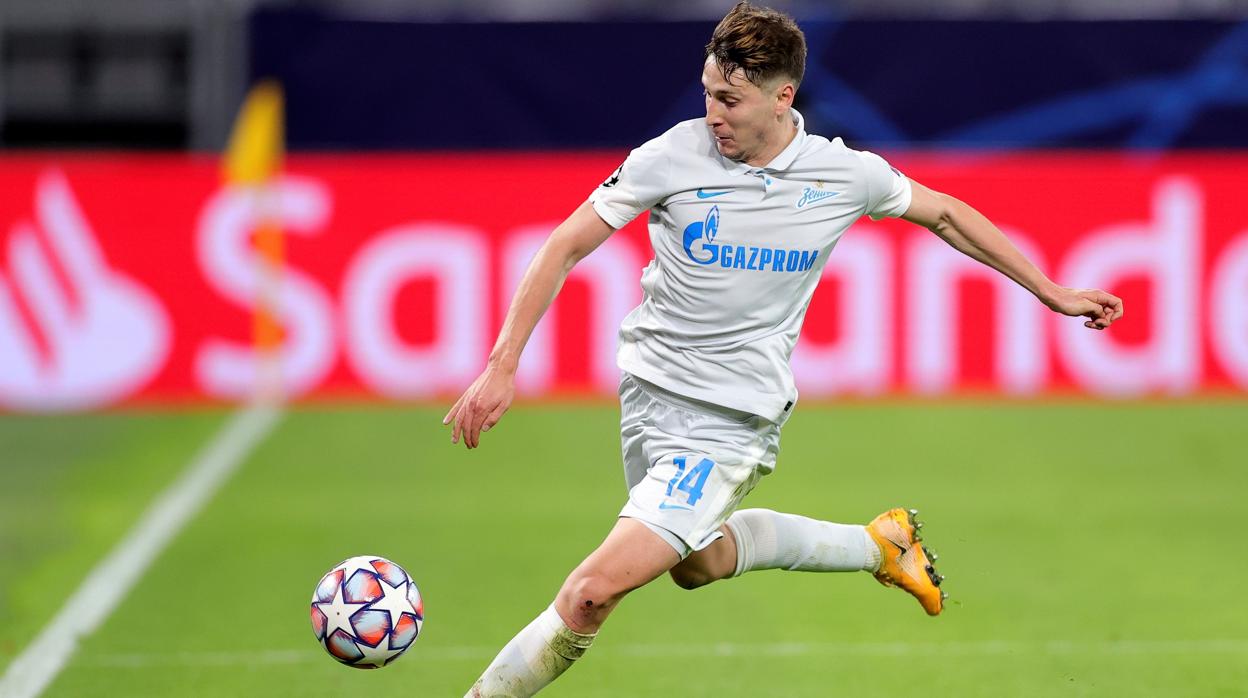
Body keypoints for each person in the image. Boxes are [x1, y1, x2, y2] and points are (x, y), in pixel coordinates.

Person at [445, 3, 1124, 695]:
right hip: (647, 401)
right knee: (697, 565)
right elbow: (564, 246)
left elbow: (947, 213)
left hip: (728, 422)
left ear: (782, 97)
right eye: (708, 92)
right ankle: (878, 544)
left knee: (591, 593)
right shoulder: (670, 156)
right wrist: (502, 366)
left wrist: (1051, 291)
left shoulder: (841, 173)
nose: (712, 114)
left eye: (729, 100)